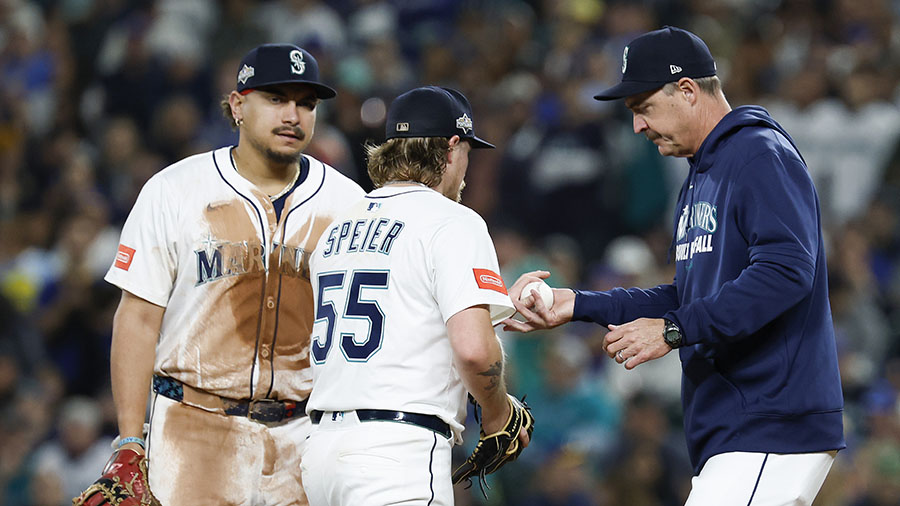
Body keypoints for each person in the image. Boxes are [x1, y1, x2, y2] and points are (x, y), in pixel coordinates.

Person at [503, 26, 845, 505]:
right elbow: (688, 296)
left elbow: (786, 271)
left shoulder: (758, 154)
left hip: (771, 420)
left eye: (643, 108)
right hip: (733, 428)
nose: (638, 127)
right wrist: (578, 303)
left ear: (686, 90)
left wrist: (672, 330)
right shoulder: (703, 173)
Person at [101, 43, 364, 505]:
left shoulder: (348, 204)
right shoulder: (175, 190)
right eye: (277, 98)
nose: (293, 115)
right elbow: (138, 319)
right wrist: (128, 439)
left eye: (306, 103)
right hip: (193, 428)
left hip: (304, 438)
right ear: (238, 104)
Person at [300, 86, 530, 505]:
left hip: (319, 453)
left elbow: (402, 314)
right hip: (396, 452)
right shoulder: (454, 221)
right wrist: (499, 413)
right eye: (466, 154)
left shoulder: (336, 229)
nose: (465, 168)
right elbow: (475, 351)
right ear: (451, 148)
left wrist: (492, 305)